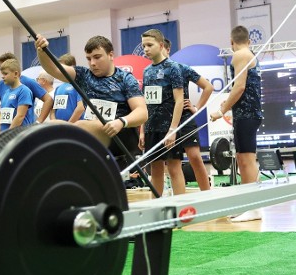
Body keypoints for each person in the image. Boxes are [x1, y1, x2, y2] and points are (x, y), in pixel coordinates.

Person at [35, 34, 147, 161]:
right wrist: (41, 51)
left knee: (82, 125)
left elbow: (142, 112)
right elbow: (54, 69)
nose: (92, 63)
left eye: (97, 57)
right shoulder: (83, 75)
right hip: (93, 143)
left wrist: (121, 122)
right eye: (89, 59)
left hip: (120, 140)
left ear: (111, 55)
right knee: (51, 125)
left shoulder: (125, 79)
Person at [210, 25, 264, 221]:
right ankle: (247, 205)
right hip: (245, 113)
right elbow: (241, 89)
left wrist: (221, 110)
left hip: (247, 114)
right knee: (242, 159)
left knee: (247, 160)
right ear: (249, 41)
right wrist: (229, 104)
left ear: (231, 42)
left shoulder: (240, 54)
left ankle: (253, 207)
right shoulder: (247, 52)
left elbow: (239, 87)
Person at [139, 29, 186, 196]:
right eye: (144, 45)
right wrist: (142, 130)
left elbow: (179, 100)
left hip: (169, 128)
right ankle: (156, 209)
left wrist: (173, 129)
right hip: (152, 127)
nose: (146, 49)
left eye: (150, 45)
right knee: (155, 170)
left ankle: (182, 211)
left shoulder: (173, 68)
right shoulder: (146, 71)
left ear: (160, 45)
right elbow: (145, 102)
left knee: (174, 168)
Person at [166, 39, 214, 191]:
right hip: (166, 121)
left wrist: (197, 107)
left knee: (195, 157)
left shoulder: (182, 68)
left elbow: (208, 87)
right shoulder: (152, 72)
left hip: (185, 119)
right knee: (173, 162)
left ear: (166, 49)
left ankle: (207, 195)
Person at [0, 53, 53, 133]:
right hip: (5, 133)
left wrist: (38, 122)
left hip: (22, 132)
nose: (2, 74)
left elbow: (48, 100)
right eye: (0, 69)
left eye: (5, 71)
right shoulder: (1, 86)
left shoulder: (27, 84)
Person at [0, 58, 33, 132]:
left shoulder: (24, 91)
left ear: (16, 74)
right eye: (2, 74)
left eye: (5, 74)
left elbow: (20, 116)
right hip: (5, 136)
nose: (2, 76)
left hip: (18, 136)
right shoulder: (6, 93)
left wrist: (8, 135)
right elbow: (2, 116)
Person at [50, 54, 85, 123]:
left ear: (71, 67)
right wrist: (54, 122)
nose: (59, 70)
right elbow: (53, 110)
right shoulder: (58, 88)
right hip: (59, 128)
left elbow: (81, 108)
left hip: (75, 128)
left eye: (62, 67)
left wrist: (69, 125)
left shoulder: (79, 85)